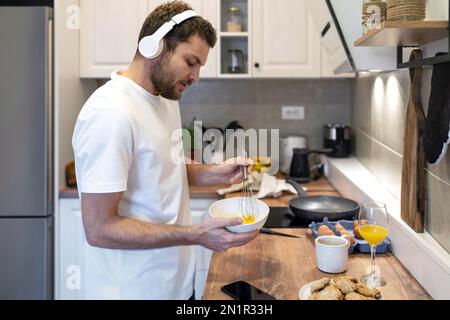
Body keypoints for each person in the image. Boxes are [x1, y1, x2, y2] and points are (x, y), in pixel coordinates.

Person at [72, 1, 257, 300]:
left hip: (176, 286)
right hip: (132, 292)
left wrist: (212, 174)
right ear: (154, 46)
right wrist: (196, 234)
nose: (196, 76)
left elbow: (163, 169)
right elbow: (99, 229)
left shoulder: (166, 98)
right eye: (190, 61)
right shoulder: (111, 113)